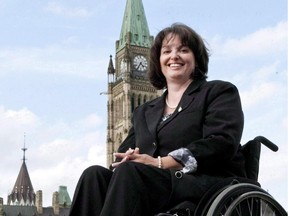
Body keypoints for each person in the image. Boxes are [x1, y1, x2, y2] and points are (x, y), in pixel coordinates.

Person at [69, 23, 246, 216]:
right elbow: (122, 155)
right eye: (167, 51)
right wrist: (130, 155)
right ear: (158, 61)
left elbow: (221, 142)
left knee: (130, 172)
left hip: (200, 186)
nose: (174, 56)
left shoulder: (218, 92)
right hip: (151, 187)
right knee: (93, 175)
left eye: (184, 50)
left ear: (196, 58)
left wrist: (161, 162)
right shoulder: (144, 112)